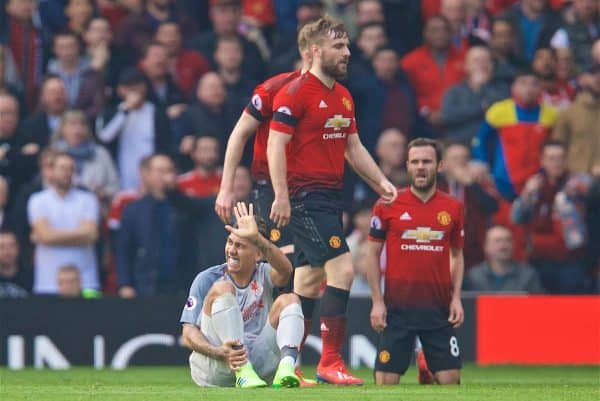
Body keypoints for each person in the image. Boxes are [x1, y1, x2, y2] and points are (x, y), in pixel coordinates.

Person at [267, 16, 397, 385]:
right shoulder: (295, 93)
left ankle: (288, 364)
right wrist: (281, 194)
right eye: (338, 46)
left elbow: (353, 149)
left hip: (330, 196)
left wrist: (381, 182)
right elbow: (276, 144)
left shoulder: (343, 95)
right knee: (342, 269)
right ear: (314, 51)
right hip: (305, 196)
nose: (348, 52)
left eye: (347, 45)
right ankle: (330, 361)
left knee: (307, 281)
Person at [365, 138, 464, 385]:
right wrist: (377, 302)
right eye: (416, 162)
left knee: (451, 381)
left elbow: (457, 255)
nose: (421, 167)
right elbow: (372, 254)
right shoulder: (387, 204)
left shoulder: (453, 207)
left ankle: (427, 365)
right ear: (407, 166)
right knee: (385, 383)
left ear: (439, 166)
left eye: (427, 161)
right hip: (397, 309)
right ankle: (423, 363)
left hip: (437, 309)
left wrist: (456, 298)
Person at [180, 202, 304, 388]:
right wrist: (217, 351)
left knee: (290, 300)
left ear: (258, 255)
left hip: (259, 367)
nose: (231, 250)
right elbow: (188, 333)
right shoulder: (207, 278)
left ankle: (286, 369)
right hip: (217, 366)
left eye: (240, 246)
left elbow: (286, 271)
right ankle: (242, 370)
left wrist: (257, 238)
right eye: (230, 242)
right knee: (223, 289)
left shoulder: (265, 273)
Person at [511, 140, 591, 293]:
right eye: (551, 158)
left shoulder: (580, 183)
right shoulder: (534, 185)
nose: (557, 163)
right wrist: (527, 195)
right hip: (539, 260)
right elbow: (516, 218)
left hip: (571, 261)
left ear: (567, 160)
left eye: (561, 158)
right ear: (542, 161)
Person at [27, 152, 100, 294]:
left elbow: (90, 235)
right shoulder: (37, 200)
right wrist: (80, 236)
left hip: (86, 281)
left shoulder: (88, 199)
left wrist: (50, 236)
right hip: (47, 283)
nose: (67, 173)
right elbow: (46, 236)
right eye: (62, 168)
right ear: (51, 171)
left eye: (70, 168)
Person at [464, 225, 544, 293]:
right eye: (497, 241)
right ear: (486, 247)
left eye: (508, 240)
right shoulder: (474, 276)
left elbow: (540, 306)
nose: (503, 245)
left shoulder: (528, 275)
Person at [552, 65, 600, 174]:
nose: (598, 78)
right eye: (593, 74)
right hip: (575, 178)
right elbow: (557, 150)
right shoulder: (568, 114)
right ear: (582, 79)